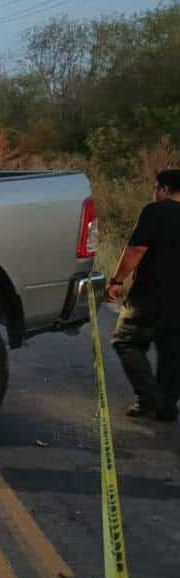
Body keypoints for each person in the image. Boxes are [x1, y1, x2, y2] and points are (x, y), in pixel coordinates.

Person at [106, 168, 180, 422]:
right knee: (172, 352)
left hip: (150, 294)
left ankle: (149, 398)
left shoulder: (155, 211)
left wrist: (117, 280)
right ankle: (167, 407)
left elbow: (137, 249)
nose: (154, 192)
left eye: (156, 187)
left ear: (165, 189)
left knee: (125, 341)